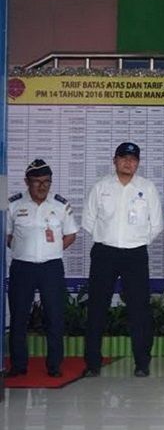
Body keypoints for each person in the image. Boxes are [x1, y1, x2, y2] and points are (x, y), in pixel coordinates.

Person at [82, 143, 163, 377]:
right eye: (124, 158)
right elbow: (88, 221)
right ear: (114, 160)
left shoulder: (146, 188)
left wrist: (136, 241)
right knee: (97, 307)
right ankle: (93, 363)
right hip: (104, 253)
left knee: (139, 309)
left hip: (135, 254)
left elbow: (156, 224)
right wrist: (109, 240)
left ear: (138, 162)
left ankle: (142, 362)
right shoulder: (100, 187)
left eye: (133, 159)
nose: (129, 163)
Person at [4, 159, 78, 378]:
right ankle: (18, 366)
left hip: (51, 268)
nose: (42, 186)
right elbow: (7, 236)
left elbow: (71, 235)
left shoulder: (60, 205)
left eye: (47, 182)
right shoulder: (13, 204)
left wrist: (52, 249)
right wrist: (24, 249)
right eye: (37, 182)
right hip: (22, 267)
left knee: (55, 317)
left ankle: (54, 365)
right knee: (18, 317)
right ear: (27, 182)